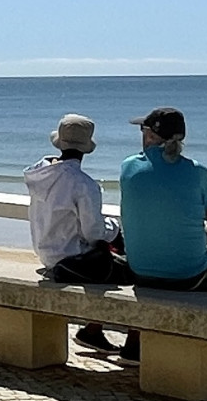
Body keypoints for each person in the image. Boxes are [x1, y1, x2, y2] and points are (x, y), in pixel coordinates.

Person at [119, 107, 207, 299]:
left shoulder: (128, 167)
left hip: (140, 274)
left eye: (143, 131)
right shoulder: (197, 173)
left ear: (150, 136)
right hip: (191, 278)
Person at [30, 114, 135, 353]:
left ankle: (94, 330)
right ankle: (132, 342)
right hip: (72, 259)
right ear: (86, 148)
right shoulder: (84, 184)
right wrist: (115, 228)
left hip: (46, 252)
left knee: (110, 260)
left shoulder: (41, 174)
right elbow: (93, 232)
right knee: (134, 270)